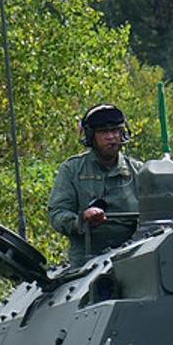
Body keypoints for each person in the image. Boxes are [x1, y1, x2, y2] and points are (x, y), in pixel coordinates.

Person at [48, 104, 146, 265]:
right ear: (91, 136)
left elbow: (157, 218)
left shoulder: (139, 172)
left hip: (134, 258)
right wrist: (81, 220)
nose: (111, 137)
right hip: (86, 262)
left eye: (115, 131)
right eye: (103, 132)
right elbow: (57, 214)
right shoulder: (72, 170)